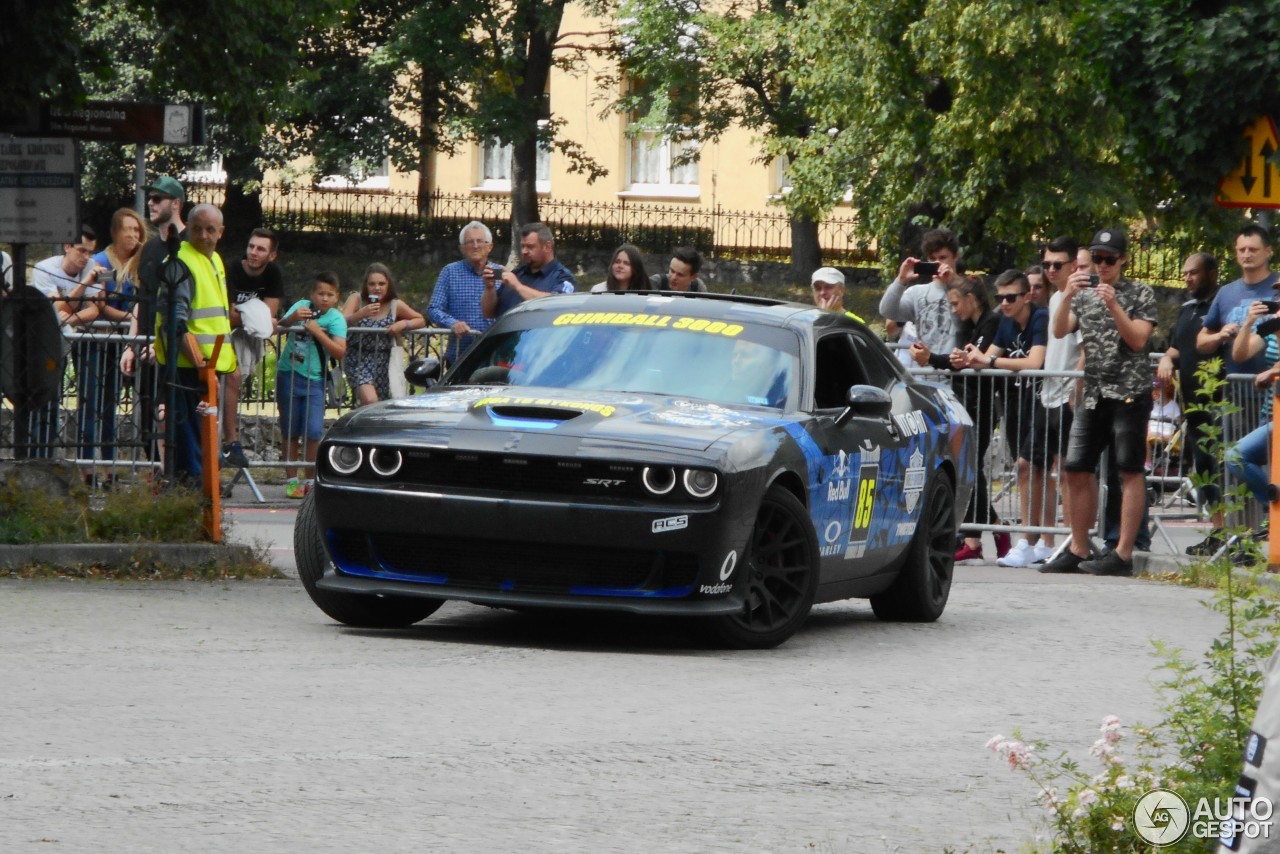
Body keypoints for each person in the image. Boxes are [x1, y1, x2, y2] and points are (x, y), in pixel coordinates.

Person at [1042, 227, 1157, 576]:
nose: (1102, 265)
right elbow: (1060, 331)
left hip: (1129, 392)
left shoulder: (1140, 292)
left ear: (1122, 259)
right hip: (1093, 392)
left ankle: (1122, 552)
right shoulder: (1083, 293)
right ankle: (1078, 547)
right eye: (1097, 258)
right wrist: (1066, 296)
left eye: (1109, 259)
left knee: (1129, 470)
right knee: (1076, 468)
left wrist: (1113, 303)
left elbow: (1137, 340)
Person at [909, 276, 1006, 560]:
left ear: (971, 298)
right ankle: (978, 535)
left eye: (955, 303)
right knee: (967, 467)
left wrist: (932, 359)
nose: (953, 310)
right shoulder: (967, 326)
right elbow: (959, 360)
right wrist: (937, 358)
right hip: (965, 402)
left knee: (969, 467)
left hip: (983, 405)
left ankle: (992, 530)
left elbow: (969, 361)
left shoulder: (990, 323)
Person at [958, 270, 1049, 567]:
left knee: (1034, 468)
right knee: (1029, 470)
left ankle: (1035, 540)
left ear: (1027, 296)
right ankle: (1033, 540)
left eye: (1011, 297)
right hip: (1016, 402)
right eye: (1000, 297)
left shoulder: (1039, 317)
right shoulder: (1006, 322)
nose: (1005, 303)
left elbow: (1034, 362)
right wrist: (969, 358)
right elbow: (986, 356)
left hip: (1042, 401)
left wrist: (990, 360)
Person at [151, 204, 237, 485]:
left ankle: (200, 493)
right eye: (197, 228)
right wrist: (201, 364)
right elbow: (175, 324)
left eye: (210, 229)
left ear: (221, 232)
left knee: (202, 438)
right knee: (190, 445)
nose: (203, 235)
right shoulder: (182, 263)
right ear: (187, 227)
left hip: (205, 367)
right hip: (189, 367)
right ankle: (193, 494)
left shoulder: (214, 260)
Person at [1158, 252, 1225, 554]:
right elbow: (1175, 348)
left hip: (1222, 403)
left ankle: (1238, 534)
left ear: (1212, 272)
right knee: (1205, 470)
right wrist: (1165, 359)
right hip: (1193, 407)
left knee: (1225, 469)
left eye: (1193, 272)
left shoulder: (1223, 306)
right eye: (1185, 273)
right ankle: (1219, 532)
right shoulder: (1186, 310)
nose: (1187, 278)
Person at [80, 209, 149, 484]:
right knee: (90, 403)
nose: (133, 235)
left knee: (111, 405)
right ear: (115, 232)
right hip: (97, 341)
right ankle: (86, 468)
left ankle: (109, 469)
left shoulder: (139, 262)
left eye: (136, 230)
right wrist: (130, 318)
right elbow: (100, 306)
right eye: (127, 229)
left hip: (123, 343)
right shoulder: (102, 262)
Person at [121, 176, 187, 463]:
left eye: (158, 198)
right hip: (145, 347)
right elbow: (141, 298)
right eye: (150, 198)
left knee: (170, 416)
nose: (151, 203)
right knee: (149, 419)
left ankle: (178, 480)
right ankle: (159, 478)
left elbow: (187, 308)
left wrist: (162, 345)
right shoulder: (148, 249)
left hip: (176, 351)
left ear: (176, 203)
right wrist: (130, 344)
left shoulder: (190, 246)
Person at [28, 225, 103, 457]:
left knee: (90, 398)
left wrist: (70, 318)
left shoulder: (92, 268)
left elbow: (95, 310)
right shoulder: (44, 268)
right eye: (81, 251)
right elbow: (56, 306)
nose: (86, 258)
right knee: (47, 397)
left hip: (79, 336)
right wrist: (84, 285)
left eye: (90, 252)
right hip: (48, 342)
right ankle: (39, 455)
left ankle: (80, 460)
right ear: (67, 246)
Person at [1035, 236, 1083, 563]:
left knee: (1068, 469)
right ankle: (1047, 538)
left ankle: (1072, 536)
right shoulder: (1055, 298)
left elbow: (1085, 347)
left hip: (1067, 394)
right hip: (1048, 394)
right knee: (1045, 466)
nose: (1051, 270)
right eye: (1047, 264)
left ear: (1073, 265)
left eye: (1058, 264)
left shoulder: (1081, 297)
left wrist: (1075, 389)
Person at [278, 272, 347, 498]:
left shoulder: (336, 319)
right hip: (289, 373)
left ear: (336, 297)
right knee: (290, 430)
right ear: (312, 294)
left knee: (313, 431)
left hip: (315, 379)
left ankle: (310, 479)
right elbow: (280, 326)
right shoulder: (301, 306)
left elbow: (339, 350)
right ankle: (291, 480)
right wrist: (292, 318)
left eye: (329, 294)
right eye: (320, 293)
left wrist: (318, 333)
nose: (324, 298)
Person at [220, 228, 284, 468]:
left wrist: (258, 318)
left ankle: (229, 443)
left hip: (249, 342)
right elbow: (230, 315)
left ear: (272, 255)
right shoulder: (233, 269)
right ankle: (229, 442)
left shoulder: (274, 273)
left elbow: (269, 316)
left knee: (235, 381)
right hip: (224, 336)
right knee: (229, 379)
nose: (254, 253)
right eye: (251, 247)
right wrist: (259, 318)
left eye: (261, 249)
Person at [342, 263, 425, 406]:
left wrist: (403, 324)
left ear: (388, 285)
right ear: (366, 286)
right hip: (358, 359)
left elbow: (420, 320)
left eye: (381, 283)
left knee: (381, 405)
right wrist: (360, 314)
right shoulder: (357, 299)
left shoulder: (394, 305)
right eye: (372, 284)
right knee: (370, 399)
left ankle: (364, 426)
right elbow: (340, 322)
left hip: (384, 361)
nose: (377, 288)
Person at [878, 227, 962, 354]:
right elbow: (887, 311)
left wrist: (953, 283)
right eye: (932, 259)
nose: (938, 263)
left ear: (956, 256)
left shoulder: (968, 289)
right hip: (920, 368)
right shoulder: (916, 293)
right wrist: (900, 281)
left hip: (952, 369)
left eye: (943, 257)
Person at [428, 221, 502, 364]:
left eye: (480, 241)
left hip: (493, 355)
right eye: (469, 242)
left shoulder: (499, 272)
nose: (475, 246)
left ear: (490, 247)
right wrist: (453, 323)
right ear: (462, 248)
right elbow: (433, 309)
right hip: (459, 357)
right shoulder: (450, 272)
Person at [481, 222, 576, 318]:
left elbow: (558, 305)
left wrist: (518, 286)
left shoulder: (563, 277)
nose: (524, 251)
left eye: (530, 247)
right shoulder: (517, 274)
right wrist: (490, 288)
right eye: (523, 246)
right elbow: (488, 313)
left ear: (547, 247)